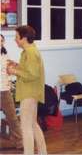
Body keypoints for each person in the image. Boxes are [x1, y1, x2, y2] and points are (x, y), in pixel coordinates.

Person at [7, 25, 47, 154]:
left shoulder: (30, 52)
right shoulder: (29, 51)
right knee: (33, 125)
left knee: (26, 127)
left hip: (29, 93)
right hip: (31, 93)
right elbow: (29, 70)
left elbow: (32, 75)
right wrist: (17, 65)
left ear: (24, 38)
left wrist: (13, 71)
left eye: (17, 37)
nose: (15, 40)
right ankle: (42, 152)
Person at [0, 34, 23, 149]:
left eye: (2, 41)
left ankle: (19, 143)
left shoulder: (5, 55)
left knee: (13, 118)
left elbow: (9, 71)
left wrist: (12, 70)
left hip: (4, 91)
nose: (0, 43)